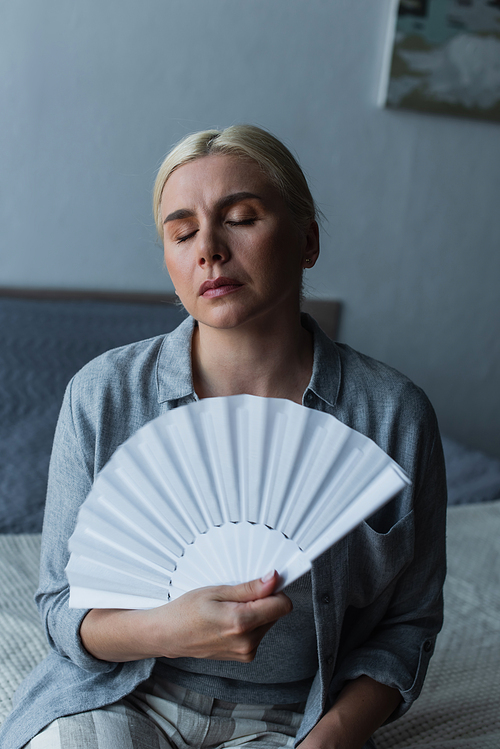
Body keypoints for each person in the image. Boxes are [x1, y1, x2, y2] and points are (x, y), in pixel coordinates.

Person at [0, 125, 447, 749]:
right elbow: (58, 609)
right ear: (169, 260)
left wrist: (336, 733)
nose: (208, 248)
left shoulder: (394, 415)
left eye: (240, 218)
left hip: (295, 718)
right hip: (122, 696)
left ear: (308, 238)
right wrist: (168, 629)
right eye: (181, 233)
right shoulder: (102, 395)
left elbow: (409, 623)